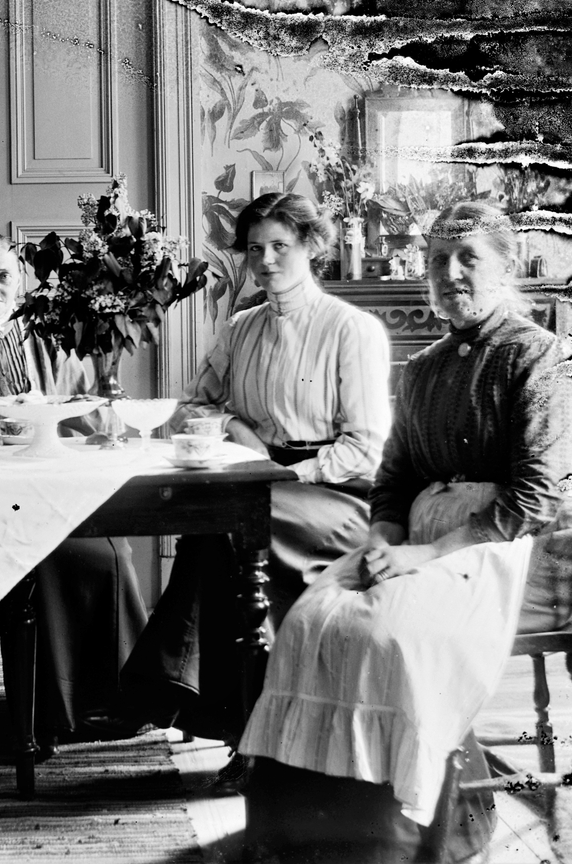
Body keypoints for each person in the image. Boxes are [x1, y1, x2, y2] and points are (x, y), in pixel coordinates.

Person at [240, 201, 572, 863]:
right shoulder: (426, 366)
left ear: (506, 266)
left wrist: (427, 553)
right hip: (424, 546)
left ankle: (399, 836)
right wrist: (383, 542)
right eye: (438, 260)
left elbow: (534, 497)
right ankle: (305, 830)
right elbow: (395, 475)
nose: (451, 273)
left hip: (520, 554)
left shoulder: (539, 357)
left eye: (469, 259)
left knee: (388, 637)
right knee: (312, 619)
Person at [120, 192, 392, 745]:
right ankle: (236, 722)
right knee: (219, 530)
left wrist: (290, 475)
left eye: (280, 246)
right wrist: (237, 434)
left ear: (311, 246)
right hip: (254, 478)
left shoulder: (351, 329)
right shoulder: (240, 328)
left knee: (225, 533)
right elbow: (196, 405)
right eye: (253, 249)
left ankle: (177, 693)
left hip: (335, 493)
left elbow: (365, 446)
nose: (265, 260)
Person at [0, 231, 149, 741]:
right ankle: (48, 710)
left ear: (19, 281)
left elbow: (82, 408)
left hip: (55, 493)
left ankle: (109, 702)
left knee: (107, 557)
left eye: (2, 276)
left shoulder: (49, 338)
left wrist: (102, 421)